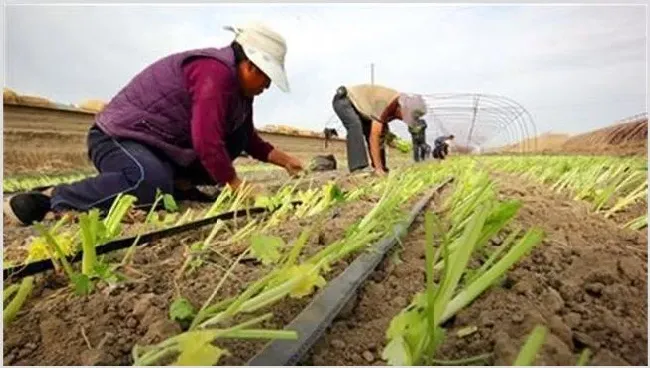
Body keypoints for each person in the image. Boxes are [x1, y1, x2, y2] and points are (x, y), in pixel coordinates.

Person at [4, 22, 304, 226]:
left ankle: (177, 185)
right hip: (119, 139)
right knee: (148, 183)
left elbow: (247, 138)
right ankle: (53, 198)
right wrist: (236, 185)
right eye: (266, 76)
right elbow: (206, 140)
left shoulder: (241, 93)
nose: (267, 85)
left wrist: (284, 160)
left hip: (162, 149)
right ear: (250, 64)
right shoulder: (214, 73)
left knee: (232, 141)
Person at [332, 84, 428, 175]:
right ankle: (358, 168)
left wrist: (389, 138)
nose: (404, 119)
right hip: (344, 101)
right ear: (403, 108)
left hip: (362, 111)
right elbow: (374, 137)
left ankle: (380, 166)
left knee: (380, 133)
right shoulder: (384, 104)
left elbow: (381, 130)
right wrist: (378, 169)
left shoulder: (398, 105)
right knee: (355, 126)